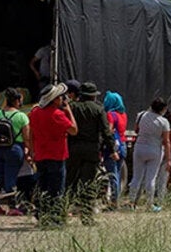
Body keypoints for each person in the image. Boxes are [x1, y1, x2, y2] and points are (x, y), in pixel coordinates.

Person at [26, 83, 77, 225]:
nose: (62, 99)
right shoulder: (58, 115)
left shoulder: (34, 113)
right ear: (54, 100)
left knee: (43, 187)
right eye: (60, 97)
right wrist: (69, 111)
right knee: (56, 189)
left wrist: (31, 151)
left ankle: (43, 216)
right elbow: (74, 130)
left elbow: (31, 135)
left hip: (40, 155)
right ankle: (55, 218)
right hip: (56, 156)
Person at [65, 82, 113, 223]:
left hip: (73, 148)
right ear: (93, 96)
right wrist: (111, 149)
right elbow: (106, 131)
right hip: (91, 149)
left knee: (69, 181)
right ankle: (86, 216)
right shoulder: (98, 109)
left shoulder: (72, 107)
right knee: (88, 183)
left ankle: (62, 212)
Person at [0, 89, 30, 216]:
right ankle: (12, 207)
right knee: (11, 177)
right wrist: (28, 151)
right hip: (14, 149)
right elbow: (26, 138)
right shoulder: (22, 116)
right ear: (17, 101)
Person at [129, 98, 171, 212]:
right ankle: (149, 204)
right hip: (155, 149)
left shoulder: (141, 115)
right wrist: (169, 159)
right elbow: (166, 141)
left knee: (136, 177)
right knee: (151, 178)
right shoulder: (164, 122)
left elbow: (136, 130)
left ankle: (131, 203)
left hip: (139, 148)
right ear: (163, 109)